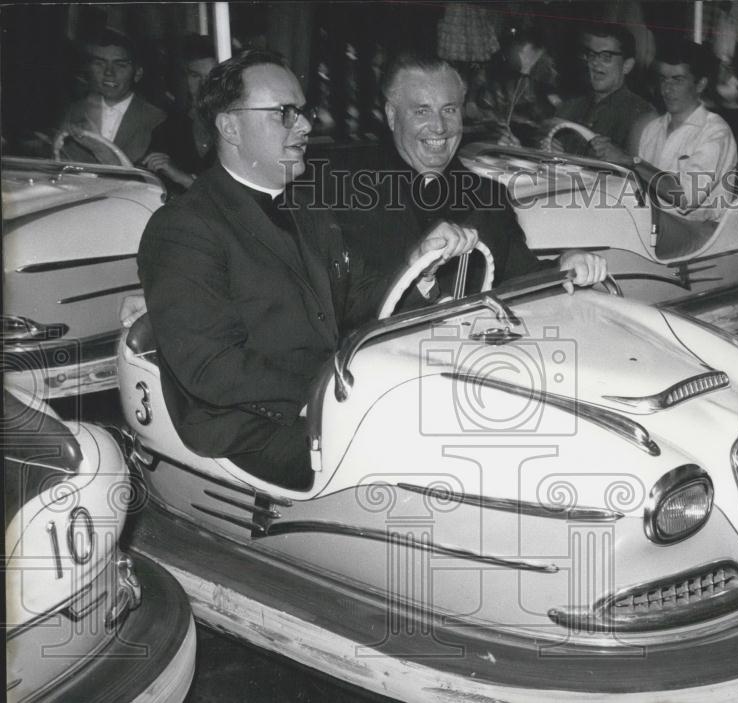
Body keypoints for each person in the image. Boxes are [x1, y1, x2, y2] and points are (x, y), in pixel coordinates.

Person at [137, 50, 477, 491]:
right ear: (230, 126)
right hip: (252, 428)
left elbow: (355, 303)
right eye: (284, 113)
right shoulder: (183, 227)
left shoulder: (306, 206)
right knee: (435, 456)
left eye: (302, 111)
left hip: (327, 399)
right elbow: (212, 369)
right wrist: (334, 394)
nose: (305, 126)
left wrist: (418, 269)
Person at [335, 52, 606, 297]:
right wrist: (419, 269)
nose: (439, 127)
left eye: (449, 110)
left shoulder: (488, 195)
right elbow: (350, 309)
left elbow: (521, 279)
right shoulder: (354, 196)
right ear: (392, 116)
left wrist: (565, 265)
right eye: (422, 111)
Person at [596, 41, 738, 257]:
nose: (667, 89)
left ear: (700, 84)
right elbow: (637, 189)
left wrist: (630, 161)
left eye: (678, 80)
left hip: (701, 233)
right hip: (659, 225)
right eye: (662, 79)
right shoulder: (653, 129)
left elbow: (686, 197)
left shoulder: (715, 132)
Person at [60, 29, 166, 165]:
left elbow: (147, 179)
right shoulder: (74, 111)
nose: (108, 72)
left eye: (120, 65)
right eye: (100, 63)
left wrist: (99, 149)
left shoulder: (156, 119)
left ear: (137, 73)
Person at [556, 24, 654, 158]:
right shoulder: (568, 108)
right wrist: (550, 152)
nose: (595, 63)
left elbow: (648, 173)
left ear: (627, 66)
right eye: (592, 55)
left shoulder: (642, 116)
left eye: (606, 56)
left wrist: (623, 159)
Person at [144, 34, 219, 191]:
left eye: (213, 77)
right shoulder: (167, 129)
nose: (203, 85)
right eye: (195, 76)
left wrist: (184, 179)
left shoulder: (244, 129)